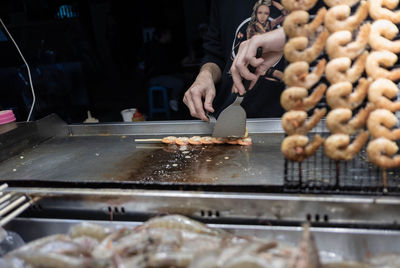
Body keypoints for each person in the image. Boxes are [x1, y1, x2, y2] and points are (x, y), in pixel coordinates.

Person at [183, 0, 287, 122]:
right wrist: (206, 74)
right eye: (260, 13)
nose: (263, 16)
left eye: (265, 13)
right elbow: (215, 54)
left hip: (293, 119)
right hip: (228, 117)